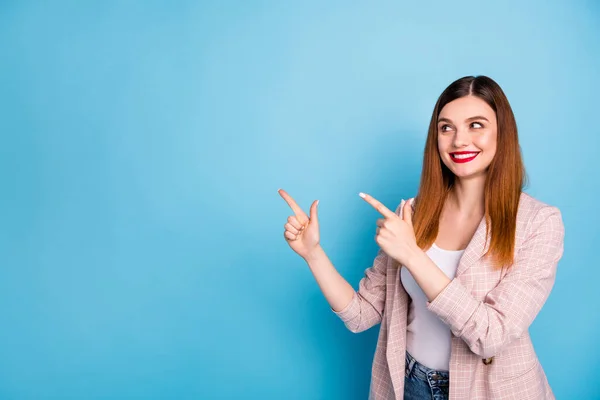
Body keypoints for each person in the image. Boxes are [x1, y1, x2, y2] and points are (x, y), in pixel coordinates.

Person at [278, 75, 565, 400]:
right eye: (446, 127)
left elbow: (490, 335)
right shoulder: (411, 213)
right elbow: (361, 315)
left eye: (476, 125)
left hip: (491, 392)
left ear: (502, 132)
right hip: (410, 384)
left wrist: (413, 255)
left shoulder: (539, 223)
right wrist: (313, 254)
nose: (459, 140)